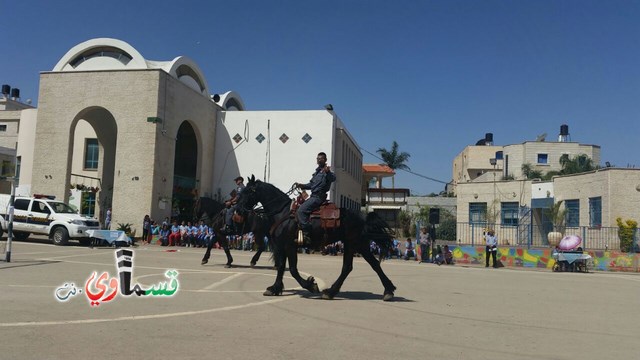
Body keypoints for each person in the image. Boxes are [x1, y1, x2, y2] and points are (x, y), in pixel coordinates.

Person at [295, 152, 336, 245]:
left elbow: (333, 178)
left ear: (325, 160)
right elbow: (311, 185)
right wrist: (303, 186)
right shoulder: (316, 173)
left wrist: (328, 172)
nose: (319, 160)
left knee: (301, 211)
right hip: (313, 196)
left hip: (318, 197)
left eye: (321, 158)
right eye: (318, 158)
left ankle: (307, 234)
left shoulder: (327, 171)